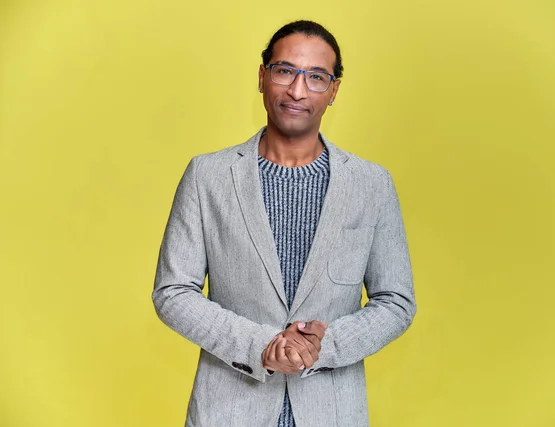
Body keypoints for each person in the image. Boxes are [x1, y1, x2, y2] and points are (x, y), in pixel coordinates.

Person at [153, 20, 416, 427]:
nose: (297, 90)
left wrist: (322, 348)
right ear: (262, 77)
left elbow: (395, 302)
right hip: (228, 410)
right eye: (284, 71)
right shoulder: (208, 175)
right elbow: (173, 291)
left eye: (315, 78)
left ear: (334, 91)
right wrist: (260, 345)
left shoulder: (371, 184)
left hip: (333, 412)